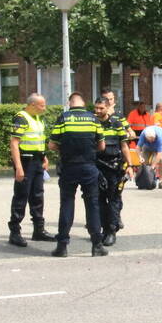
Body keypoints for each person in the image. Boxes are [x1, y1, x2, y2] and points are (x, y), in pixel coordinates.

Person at [49, 92, 107, 257]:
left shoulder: (63, 118)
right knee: (93, 205)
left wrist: (66, 151)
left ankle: (62, 246)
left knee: (67, 204)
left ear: (69, 103)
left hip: (69, 167)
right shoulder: (93, 119)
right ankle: (97, 245)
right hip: (89, 167)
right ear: (84, 104)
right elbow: (102, 146)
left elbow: (52, 145)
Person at [7, 93, 54, 247]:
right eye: (42, 105)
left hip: (37, 160)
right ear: (32, 105)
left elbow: (39, 140)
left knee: (37, 196)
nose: (44, 108)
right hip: (25, 162)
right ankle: (15, 232)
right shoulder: (21, 117)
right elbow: (14, 143)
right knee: (21, 196)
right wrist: (19, 167)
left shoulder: (38, 118)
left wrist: (44, 157)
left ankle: (38, 230)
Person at [95, 98, 131, 246]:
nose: (98, 111)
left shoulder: (116, 124)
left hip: (114, 167)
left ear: (108, 108)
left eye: (101, 108)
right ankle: (104, 229)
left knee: (114, 200)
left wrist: (129, 165)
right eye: (96, 108)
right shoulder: (93, 124)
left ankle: (112, 231)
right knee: (99, 201)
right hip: (97, 167)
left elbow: (124, 146)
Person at [139, 124, 162, 189]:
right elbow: (138, 148)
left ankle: (161, 181)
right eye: (149, 139)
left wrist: (153, 166)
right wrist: (140, 157)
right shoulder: (143, 135)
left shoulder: (160, 138)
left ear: (155, 136)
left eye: (153, 139)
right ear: (146, 137)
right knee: (144, 162)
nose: (151, 141)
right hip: (147, 146)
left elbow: (159, 154)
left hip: (160, 147)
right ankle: (144, 180)